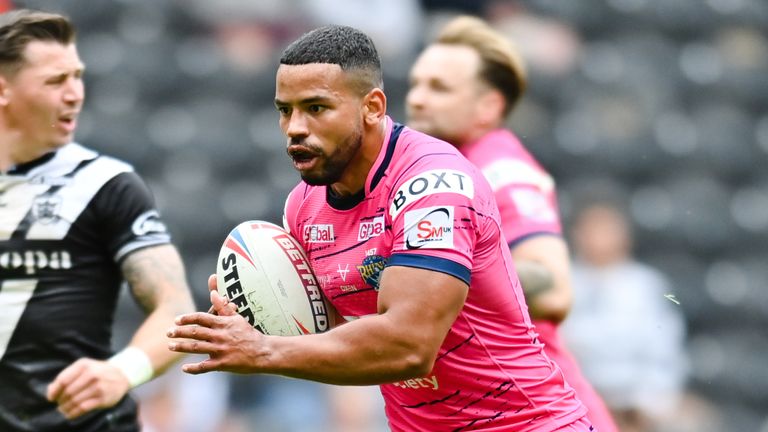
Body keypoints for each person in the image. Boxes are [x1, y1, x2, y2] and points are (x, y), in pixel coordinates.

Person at [168, 24, 593, 431]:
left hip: (526, 424)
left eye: (316, 108)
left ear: (372, 107)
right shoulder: (303, 204)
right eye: (286, 110)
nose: (295, 127)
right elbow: (337, 336)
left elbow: (409, 346)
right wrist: (255, 320)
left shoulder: (434, 183)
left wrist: (262, 351)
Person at [405, 15, 618, 432]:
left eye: (439, 88)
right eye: (416, 83)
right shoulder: (430, 171)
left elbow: (553, 289)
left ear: (489, 107)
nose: (416, 98)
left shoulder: (500, 169)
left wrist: (438, 274)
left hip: (534, 414)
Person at [0, 9, 196, 432]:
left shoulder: (106, 184)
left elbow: (177, 309)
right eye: (56, 81)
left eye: (77, 76)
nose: (75, 94)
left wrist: (124, 371)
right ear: (4, 90)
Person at [562, 196, 689, 432]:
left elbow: (665, 348)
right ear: (577, 234)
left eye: (608, 229)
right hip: (573, 401)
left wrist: (649, 403)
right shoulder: (561, 281)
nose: (600, 238)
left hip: (635, 406)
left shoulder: (649, 285)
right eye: (592, 229)